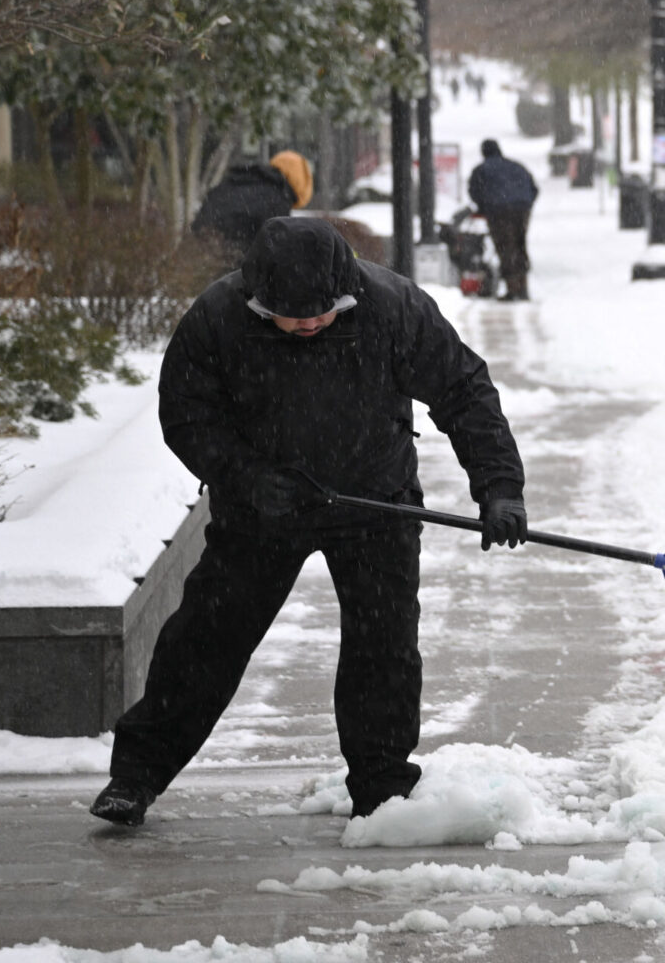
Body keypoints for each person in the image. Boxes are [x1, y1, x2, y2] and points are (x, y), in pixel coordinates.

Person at [90, 216, 529, 827]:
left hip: (374, 502)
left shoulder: (393, 307)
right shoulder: (218, 318)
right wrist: (245, 476)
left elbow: (463, 390)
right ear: (259, 299)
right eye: (291, 317)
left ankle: (382, 790)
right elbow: (186, 413)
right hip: (263, 510)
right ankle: (136, 776)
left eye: (321, 314)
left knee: (383, 649)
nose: (308, 325)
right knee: (206, 640)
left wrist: (500, 488)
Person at [190, 150, 313, 262]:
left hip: (195, 257)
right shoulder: (276, 199)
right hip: (231, 263)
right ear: (299, 184)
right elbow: (276, 250)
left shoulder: (238, 180)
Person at [467, 139, 539, 302]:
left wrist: (484, 207)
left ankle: (512, 289)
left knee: (506, 248)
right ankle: (523, 287)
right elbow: (534, 189)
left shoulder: (481, 170)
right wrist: (524, 204)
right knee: (519, 245)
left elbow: (474, 191)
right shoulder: (516, 166)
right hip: (522, 209)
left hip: (498, 210)